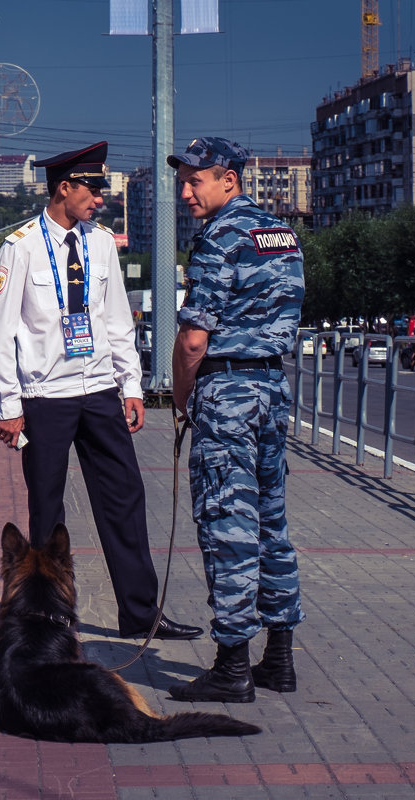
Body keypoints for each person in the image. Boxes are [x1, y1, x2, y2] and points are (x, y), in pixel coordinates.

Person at [0, 140, 202, 641]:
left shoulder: (100, 242)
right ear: (65, 188)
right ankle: (44, 614)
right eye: (93, 188)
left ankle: (141, 614)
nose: (99, 198)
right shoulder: (19, 249)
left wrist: (131, 385)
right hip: (45, 397)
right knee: (47, 509)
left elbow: (117, 321)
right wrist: (10, 406)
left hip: (100, 390)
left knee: (125, 496)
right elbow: (1, 333)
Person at [166, 137, 305, 704]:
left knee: (228, 523)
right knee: (271, 521)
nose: (185, 191)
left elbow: (194, 339)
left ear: (228, 179)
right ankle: (279, 660)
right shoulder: (281, 233)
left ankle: (230, 669)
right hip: (272, 388)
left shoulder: (220, 235)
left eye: (194, 180)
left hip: (226, 391)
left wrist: (180, 396)